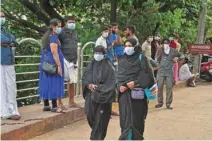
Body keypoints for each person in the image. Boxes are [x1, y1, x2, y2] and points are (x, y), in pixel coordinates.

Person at [117, 38, 154, 140]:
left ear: (135, 46)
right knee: (125, 121)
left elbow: (149, 76)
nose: (127, 48)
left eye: (130, 46)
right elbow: (118, 76)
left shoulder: (142, 58)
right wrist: (119, 86)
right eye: (126, 46)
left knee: (136, 120)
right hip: (124, 96)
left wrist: (136, 83)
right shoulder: (122, 60)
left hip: (137, 96)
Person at [82, 46, 116, 140]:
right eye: (96, 53)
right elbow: (85, 78)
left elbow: (112, 83)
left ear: (104, 55)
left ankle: (96, 138)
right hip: (91, 96)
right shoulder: (91, 65)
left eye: (100, 53)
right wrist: (89, 85)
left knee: (100, 120)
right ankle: (97, 134)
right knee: (90, 116)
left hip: (103, 98)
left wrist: (99, 88)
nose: (98, 55)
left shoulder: (109, 67)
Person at [39, 19, 65, 113]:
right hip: (53, 61)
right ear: (54, 26)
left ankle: (46, 105)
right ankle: (54, 106)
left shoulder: (46, 36)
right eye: (58, 26)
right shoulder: (53, 37)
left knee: (46, 82)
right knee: (54, 82)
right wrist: (59, 65)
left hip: (45, 61)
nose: (60, 28)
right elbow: (54, 52)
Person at [1, 11, 20, 120]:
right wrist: (8, 43)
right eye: (0, 16)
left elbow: (14, 40)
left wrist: (7, 43)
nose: (2, 18)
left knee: (11, 86)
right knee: (2, 87)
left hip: (8, 60)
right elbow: (6, 41)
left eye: (3, 16)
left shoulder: (4, 30)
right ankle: (4, 112)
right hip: (1, 61)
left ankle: (12, 110)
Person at [58, 15, 79, 108]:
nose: (72, 24)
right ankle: (59, 102)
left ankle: (71, 101)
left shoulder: (74, 33)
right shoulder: (61, 32)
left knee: (72, 81)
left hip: (74, 59)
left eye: (73, 22)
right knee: (60, 80)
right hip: (64, 58)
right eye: (70, 22)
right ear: (66, 23)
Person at [155, 39, 182, 110]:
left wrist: (176, 60)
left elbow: (182, 55)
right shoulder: (160, 50)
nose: (165, 44)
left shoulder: (173, 51)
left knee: (169, 87)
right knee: (159, 87)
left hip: (169, 72)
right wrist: (157, 64)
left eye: (167, 43)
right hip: (161, 71)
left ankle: (168, 104)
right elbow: (156, 59)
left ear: (169, 44)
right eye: (164, 43)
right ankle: (160, 102)